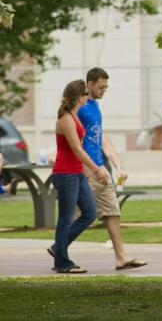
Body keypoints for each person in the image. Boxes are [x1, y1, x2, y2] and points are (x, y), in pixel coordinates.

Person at [78, 67, 147, 271]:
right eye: (100, 87)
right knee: (77, 216)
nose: (103, 91)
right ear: (89, 84)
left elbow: (102, 139)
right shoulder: (80, 108)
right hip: (87, 170)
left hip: (100, 168)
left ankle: (121, 257)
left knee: (112, 210)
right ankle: (59, 249)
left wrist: (117, 166)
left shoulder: (95, 107)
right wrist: (86, 168)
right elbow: (74, 141)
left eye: (106, 87)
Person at [51, 79, 111, 273]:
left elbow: (79, 149)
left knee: (89, 213)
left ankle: (58, 248)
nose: (88, 96)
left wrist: (86, 172)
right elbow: (76, 149)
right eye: (86, 93)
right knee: (65, 219)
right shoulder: (66, 119)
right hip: (65, 174)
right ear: (79, 97)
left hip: (76, 173)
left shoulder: (75, 116)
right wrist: (96, 169)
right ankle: (61, 262)